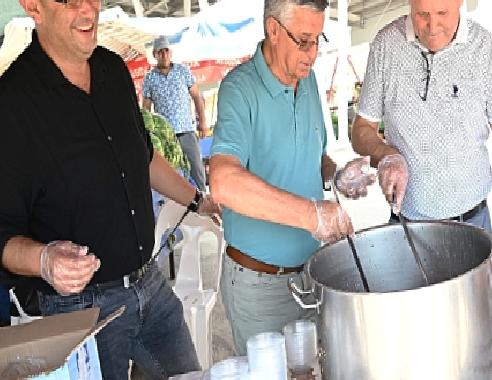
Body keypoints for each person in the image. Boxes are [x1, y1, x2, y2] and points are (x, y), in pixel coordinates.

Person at [0, 0, 218, 377]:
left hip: (149, 282)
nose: (88, 10)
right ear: (33, 6)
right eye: (69, 0)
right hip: (80, 311)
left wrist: (199, 200)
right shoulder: (12, 103)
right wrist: (44, 259)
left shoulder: (112, 68)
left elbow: (144, 157)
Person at [338, 0, 492, 291]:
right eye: (422, 15)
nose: (433, 27)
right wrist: (386, 154)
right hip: (407, 229)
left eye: (442, 14)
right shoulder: (386, 45)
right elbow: (362, 129)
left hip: (474, 224)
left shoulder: (485, 49)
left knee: (477, 325)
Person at [209, 0, 360, 354]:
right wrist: (313, 214)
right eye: (303, 41)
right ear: (273, 30)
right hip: (260, 284)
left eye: (318, 40)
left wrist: (336, 175)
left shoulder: (306, 82)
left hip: (311, 273)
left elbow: (313, 155)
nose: (313, 54)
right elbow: (223, 182)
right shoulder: (239, 89)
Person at [143, 36, 208, 192]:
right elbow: (145, 110)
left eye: (166, 51)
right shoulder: (149, 78)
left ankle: (205, 205)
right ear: (155, 55)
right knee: (172, 177)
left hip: (186, 131)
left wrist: (203, 122)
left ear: (170, 53)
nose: (164, 55)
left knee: (197, 171)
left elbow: (197, 96)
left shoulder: (182, 71)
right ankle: (181, 211)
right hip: (166, 138)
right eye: (160, 52)